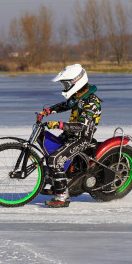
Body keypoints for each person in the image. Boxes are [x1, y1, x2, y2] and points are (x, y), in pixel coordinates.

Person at [36, 64, 102, 208]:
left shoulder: (91, 102)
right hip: (70, 135)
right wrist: (46, 111)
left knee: (55, 159)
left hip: (82, 139)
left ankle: (62, 196)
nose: (64, 87)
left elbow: (82, 127)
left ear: (76, 81)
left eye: (66, 83)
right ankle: (58, 181)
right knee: (49, 150)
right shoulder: (77, 96)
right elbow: (64, 105)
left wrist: (58, 125)